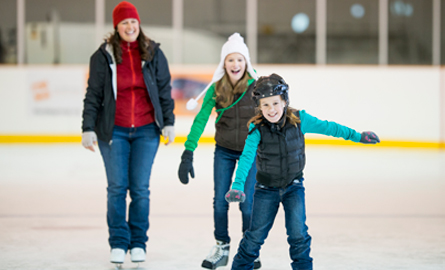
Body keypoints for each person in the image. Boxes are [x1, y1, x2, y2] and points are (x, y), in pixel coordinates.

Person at [225, 73, 380, 270]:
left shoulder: (300, 120)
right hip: (266, 190)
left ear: (284, 101)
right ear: (259, 107)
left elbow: (330, 128)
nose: (271, 109)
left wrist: (357, 136)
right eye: (265, 105)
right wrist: (237, 185)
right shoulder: (257, 129)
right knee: (254, 237)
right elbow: (246, 158)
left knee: (298, 235)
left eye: (275, 103)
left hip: (293, 187)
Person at [81, 1, 175, 266]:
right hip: (114, 132)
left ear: (138, 24)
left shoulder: (154, 53)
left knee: (141, 189)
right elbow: (93, 95)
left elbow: (165, 91)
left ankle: (138, 243)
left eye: (133, 21)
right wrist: (88, 127)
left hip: (146, 131)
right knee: (117, 188)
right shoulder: (103, 56)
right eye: (124, 23)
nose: (129, 26)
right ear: (116, 27)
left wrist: (168, 122)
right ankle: (119, 243)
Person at [177, 33, 262, 269]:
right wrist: (188, 152)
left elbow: (271, 117)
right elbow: (200, 120)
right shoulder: (216, 89)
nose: (235, 64)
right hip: (223, 151)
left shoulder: (257, 89)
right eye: (230, 60)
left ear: (246, 62)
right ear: (223, 63)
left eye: (239, 60)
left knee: (247, 203)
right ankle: (222, 246)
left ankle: (249, 248)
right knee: (219, 201)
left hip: (249, 154)